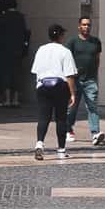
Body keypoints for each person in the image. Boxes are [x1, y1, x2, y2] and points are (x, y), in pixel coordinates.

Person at [31, 23, 79, 162]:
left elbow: (36, 71)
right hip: (59, 86)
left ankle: (39, 143)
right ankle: (61, 150)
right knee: (61, 118)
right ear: (61, 36)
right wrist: (72, 93)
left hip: (43, 85)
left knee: (43, 117)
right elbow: (69, 75)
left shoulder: (41, 49)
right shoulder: (65, 51)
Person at [70, 14, 105, 147]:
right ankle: (69, 129)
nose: (87, 27)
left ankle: (95, 133)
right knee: (72, 107)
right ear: (79, 26)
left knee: (92, 106)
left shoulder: (96, 42)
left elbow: (97, 59)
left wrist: (95, 75)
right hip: (75, 79)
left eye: (88, 25)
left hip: (90, 79)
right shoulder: (73, 42)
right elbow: (68, 60)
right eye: (84, 24)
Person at [0, 0, 29, 110]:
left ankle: (7, 99)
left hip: (5, 50)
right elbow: (25, 33)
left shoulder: (3, 18)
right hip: (18, 50)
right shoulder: (21, 17)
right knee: (17, 73)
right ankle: (16, 99)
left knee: (6, 74)